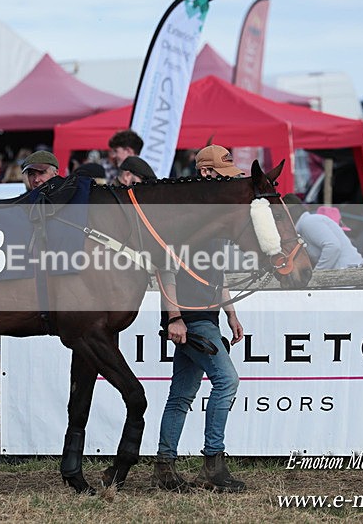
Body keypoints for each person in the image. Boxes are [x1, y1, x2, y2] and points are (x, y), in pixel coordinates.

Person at [152, 145, 245, 493]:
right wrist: (174, 317)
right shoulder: (187, 214)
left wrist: (231, 312)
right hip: (192, 319)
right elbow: (165, 268)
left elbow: (216, 273)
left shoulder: (209, 215)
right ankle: (213, 465)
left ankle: (165, 468)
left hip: (204, 316)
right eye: (224, 175)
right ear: (206, 173)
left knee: (181, 395)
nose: (229, 183)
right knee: (227, 382)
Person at [283, 195, 361, 269]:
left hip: (347, 273)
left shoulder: (308, 222)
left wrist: (318, 274)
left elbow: (332, 246)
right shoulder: (304, 224)